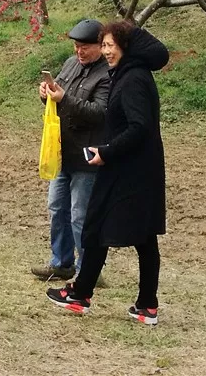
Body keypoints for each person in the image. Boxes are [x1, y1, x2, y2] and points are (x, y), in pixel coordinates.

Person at [46, 19, 169, 324]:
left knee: (138, 236)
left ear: (125, 46)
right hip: (125, 166)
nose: (105, 51)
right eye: (103, 45)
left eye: (110, 46)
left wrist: (106, 151)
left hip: (133, 170)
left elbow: (140, 128)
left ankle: (142, 304)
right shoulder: (125, 74)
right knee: (100, 228)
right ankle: (83, 295)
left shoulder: (134, 79)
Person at [31, 18, 111, 281]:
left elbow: (100, 113)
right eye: (76, 46)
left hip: (87, 156)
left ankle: (88, 270)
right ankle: (61, 262)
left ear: (100, 46)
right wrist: (46, 94)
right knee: (57, 208)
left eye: (85, 47)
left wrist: (64, 98)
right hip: (60, 151)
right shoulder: (70, 64)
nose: (79, 51)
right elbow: (57, 99)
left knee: (80, 215)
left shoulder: (107, 75)